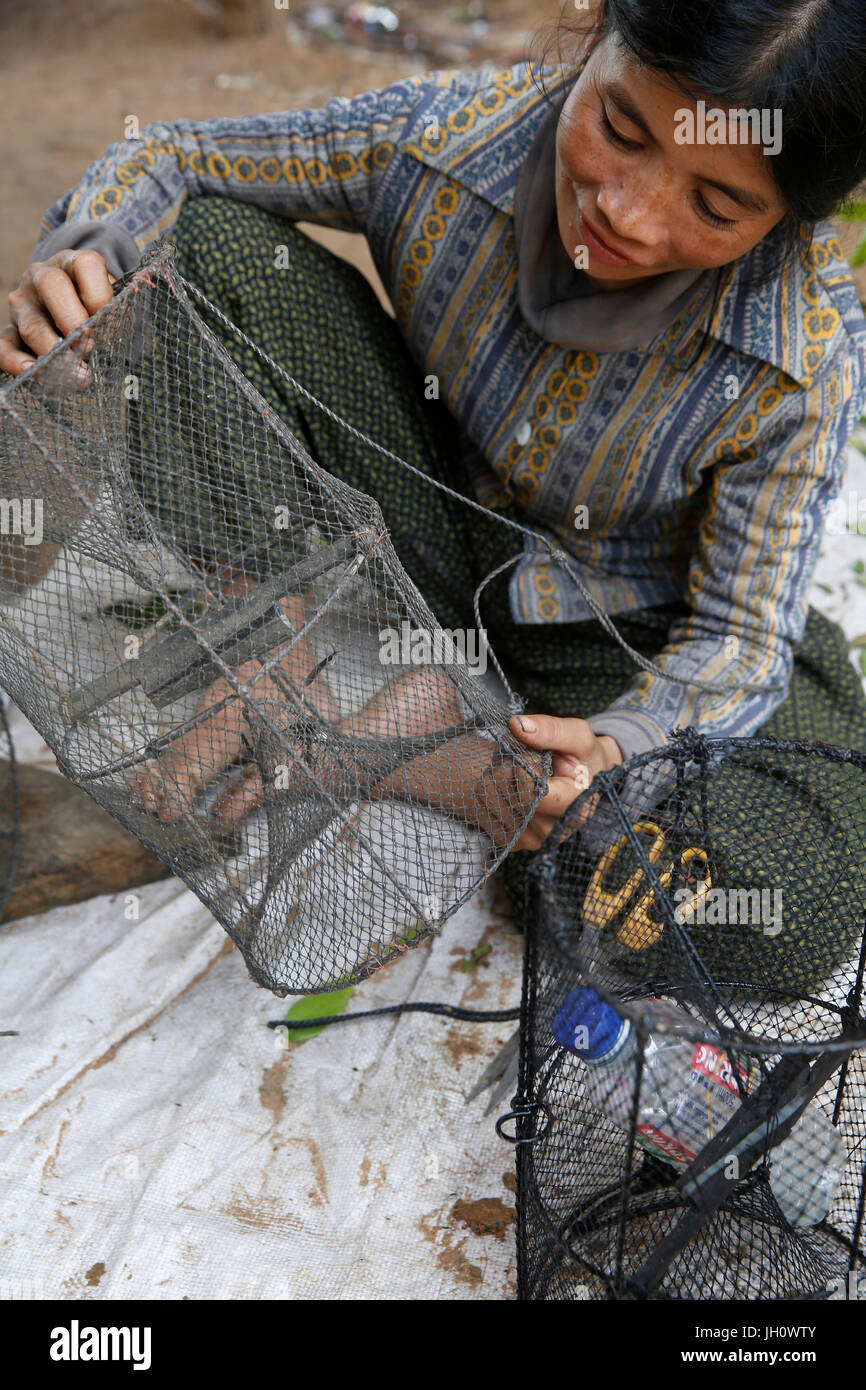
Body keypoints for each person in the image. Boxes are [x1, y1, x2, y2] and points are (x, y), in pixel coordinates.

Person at [3, 0, 866, 926]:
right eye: (619, 127)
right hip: (415, 520)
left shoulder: (801, 353)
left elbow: (739, 636)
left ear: (785, 220)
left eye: (715, 203)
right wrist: (84, 255)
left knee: (774, 902)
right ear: (596, 44)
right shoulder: (451, 139)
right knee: (214, 246)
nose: (627, 213)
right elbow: (173, 157)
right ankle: (266, 651)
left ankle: (421, 752)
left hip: (613, 629)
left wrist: (616, 750)